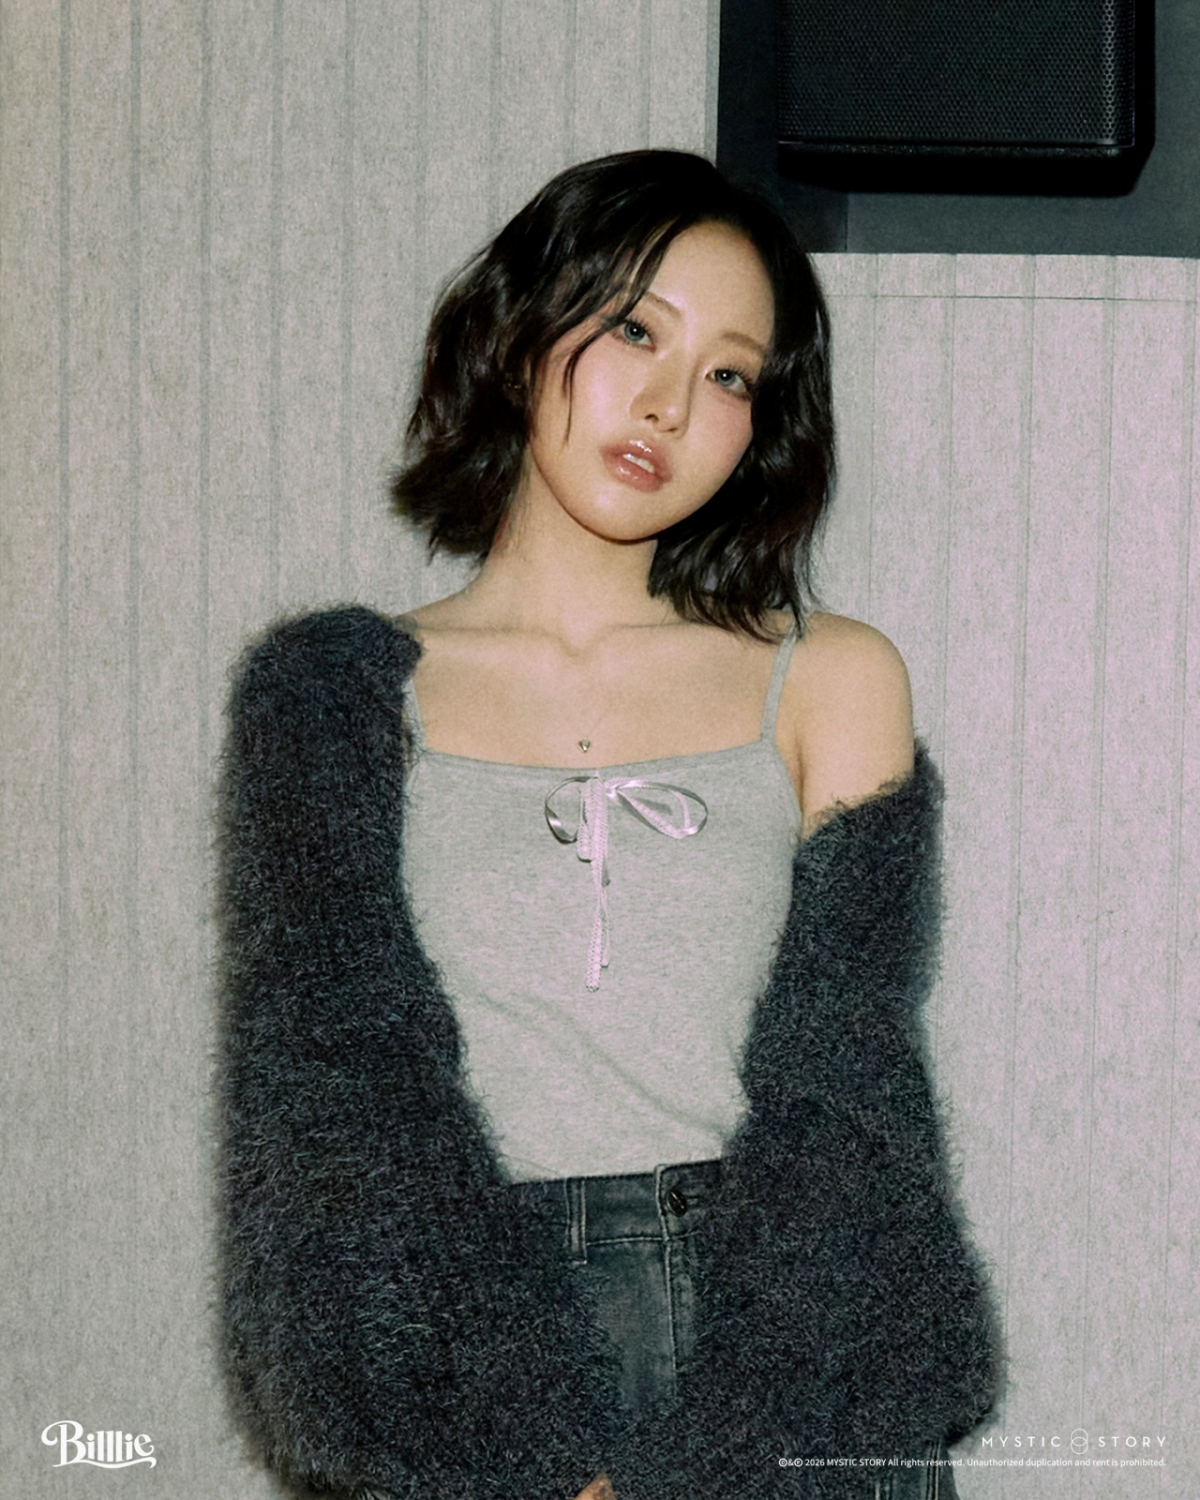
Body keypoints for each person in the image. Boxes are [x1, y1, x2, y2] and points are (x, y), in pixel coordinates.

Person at [217, 150, 1000, 1500]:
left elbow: (853, 1097)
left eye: (731, 375)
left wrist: (728, 1446)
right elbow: (336, 1111)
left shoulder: (831, 676)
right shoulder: (329, 692)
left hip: (797, 1342)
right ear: (521, 326)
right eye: (636, 329)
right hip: (460, 1349)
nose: (669, 403)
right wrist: (538, 1449)